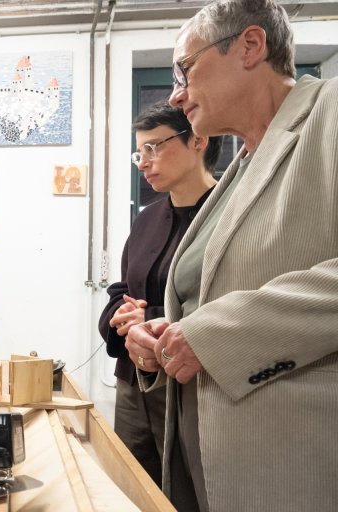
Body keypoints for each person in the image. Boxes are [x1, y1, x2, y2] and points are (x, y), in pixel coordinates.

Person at [124, 1, 338, 510]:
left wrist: (214, 336)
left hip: (292, 463)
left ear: (249, 47)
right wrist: (166, 335)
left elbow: (221, 328)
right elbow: (209, 296)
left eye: (186, 69)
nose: (177, 92)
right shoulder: (243, 162)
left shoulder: (329, 113)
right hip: (208, 455)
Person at [99, 100, 221, 486]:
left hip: (192, 387)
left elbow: (228, 303)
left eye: (154, 147)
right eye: (140, 151)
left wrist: (148, 317)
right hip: (133, 381)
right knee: (132, 486)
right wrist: (121, 316)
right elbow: (121, 290)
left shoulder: (227, 213)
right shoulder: (147, 217)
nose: (143, 161)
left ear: (197, 140)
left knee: (187, 488)